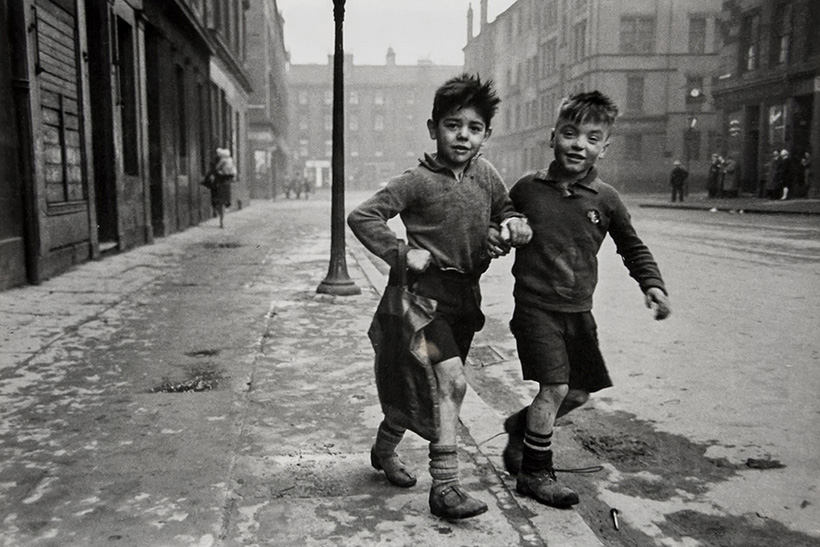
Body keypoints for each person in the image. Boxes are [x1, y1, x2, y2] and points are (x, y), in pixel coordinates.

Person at [347, 73, 532, 520]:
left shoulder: (486, 175)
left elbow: (507, 213)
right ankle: (445, 487)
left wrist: (511, 229)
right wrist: (401, 251)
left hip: (463, 298)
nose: (462, 135)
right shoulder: (416, 181)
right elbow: (363, 216)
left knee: (426, 390)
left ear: (486, 135)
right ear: (433, 128)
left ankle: (383, 448)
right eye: (453, 125)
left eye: (473, 127)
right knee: (450, 383)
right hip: (420, 300)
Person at [499, 91, 671, 509]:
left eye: (592, 138)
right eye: (571, 134)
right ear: (553, 136)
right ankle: (535, 473)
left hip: (579, 312)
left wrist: (652, 284)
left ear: (604, 147)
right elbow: (496, 224)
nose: (579, 144)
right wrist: (505, 229)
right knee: (555, 387)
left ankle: (520, 427)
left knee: (577, 394)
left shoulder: (605, 199)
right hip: (536, 309)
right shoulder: (527, 189)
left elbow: (632, 247)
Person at [206, 147, 236, 228]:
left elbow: (216, 169)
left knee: (218, 201)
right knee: (224, 201)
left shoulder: (221, 161)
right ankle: (223, 215)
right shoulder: (230, 160)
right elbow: (233, 173)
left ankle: (221, 217)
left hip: (219, 183)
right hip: (227, 183)